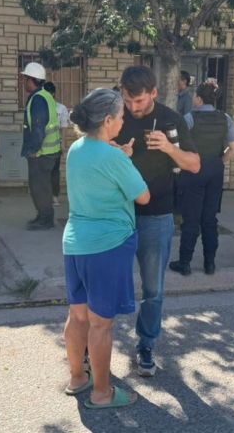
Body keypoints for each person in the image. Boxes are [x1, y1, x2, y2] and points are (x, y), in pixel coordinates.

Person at [62, 88, 150, 409]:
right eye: (121, 117)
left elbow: (97, 173)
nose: (123, 122)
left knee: (78, 316)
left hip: (75, 243)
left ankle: (77, 378)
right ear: (108, 119)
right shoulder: (112, 156)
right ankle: (102, 393)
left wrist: (117, 157)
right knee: (102, 324)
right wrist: (124, 160)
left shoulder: (76, 148)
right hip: (107, 246)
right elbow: (143, 196)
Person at [115, 65, 200, 377]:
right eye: (128, 101)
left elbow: (194, 164)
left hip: (156, 217)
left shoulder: (170, 120)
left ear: (153, 93)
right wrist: (112, 153)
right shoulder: (115, 115)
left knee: (153, 290)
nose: (133, 108)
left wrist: (168, 147)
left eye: (139, 101)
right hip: (117, 216)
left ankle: (146, 343)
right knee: (109, 286)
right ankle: (95, 346)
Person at [169, 82, 234, 276]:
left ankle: (185, 263)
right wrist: (220, 160)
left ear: (199, 99)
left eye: (195, 96)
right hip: (215, 171)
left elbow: (174, 144)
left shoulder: (189, 118)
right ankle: (210, 263)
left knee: (191, 219)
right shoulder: (225, 118)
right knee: (210, 219)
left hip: (193, 170)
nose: (193, 99)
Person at [20, 62, 60, 230]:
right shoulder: (45, 96)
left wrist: (33, 150)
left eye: (25, 79)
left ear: (32, 80)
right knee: (43, 186)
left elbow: (38, 127)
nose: (23, 82)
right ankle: (43, 216)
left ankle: (45, 220)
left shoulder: (38, 99)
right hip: (50, 151)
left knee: (39, 187)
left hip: (42, 153)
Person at [43, 81, 70, 207]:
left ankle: (54, 196)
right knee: (43, 171)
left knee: (54, 171)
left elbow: (64, 127)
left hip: (55, 145)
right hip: (42, 146)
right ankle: (44, 197)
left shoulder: (61, 108)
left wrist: (63, 144)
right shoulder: (40, 107)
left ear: (53, 93)